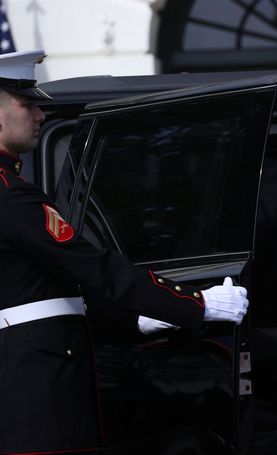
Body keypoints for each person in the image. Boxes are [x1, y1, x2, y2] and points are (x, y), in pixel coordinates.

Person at [0, 50, 249, 454]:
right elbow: (93, 266)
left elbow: (41, 294)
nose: (40, 116)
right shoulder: (10, 197)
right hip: (38, 397)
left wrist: (136, 320)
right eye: (27, 105)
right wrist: (194, 304)